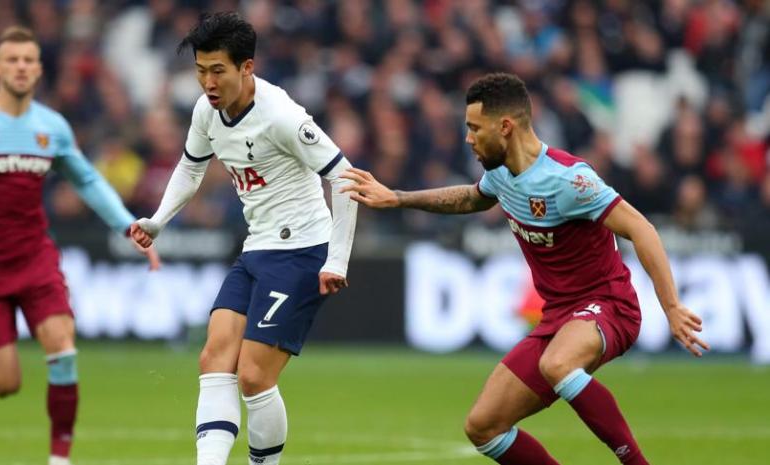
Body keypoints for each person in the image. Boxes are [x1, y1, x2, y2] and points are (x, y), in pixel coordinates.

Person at [341, 73, 709, 465]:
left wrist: (670, 307)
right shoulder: (501, 174)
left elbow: (641, 229)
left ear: (505, 127)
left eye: (474, 128)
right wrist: (396, 198)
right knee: (483, 426)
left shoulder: (570, 179)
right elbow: (470, 198)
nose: (468, 139)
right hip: (558, 318)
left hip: (608, 304)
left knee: (557, 364)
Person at [0, 26, 159, 465]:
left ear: (39, 68)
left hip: (35, 258)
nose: (21, 67)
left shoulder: (52, 127)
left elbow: (85, 178)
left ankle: (59, 459)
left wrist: (128, 226)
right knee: (5, 385)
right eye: (13, 60)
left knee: (63, 344)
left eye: (29, 60)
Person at [129, 12, 358, 465]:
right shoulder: (205, 112)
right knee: (214, 358)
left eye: (218, 71)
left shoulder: (282, 117)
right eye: (200, 71)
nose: (207, 83)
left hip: (301, 251)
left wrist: (338, 259)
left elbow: (345, 177)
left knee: (253, 376)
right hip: (257, 248)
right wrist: (158, 220)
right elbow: (192, 167)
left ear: (246, 68)